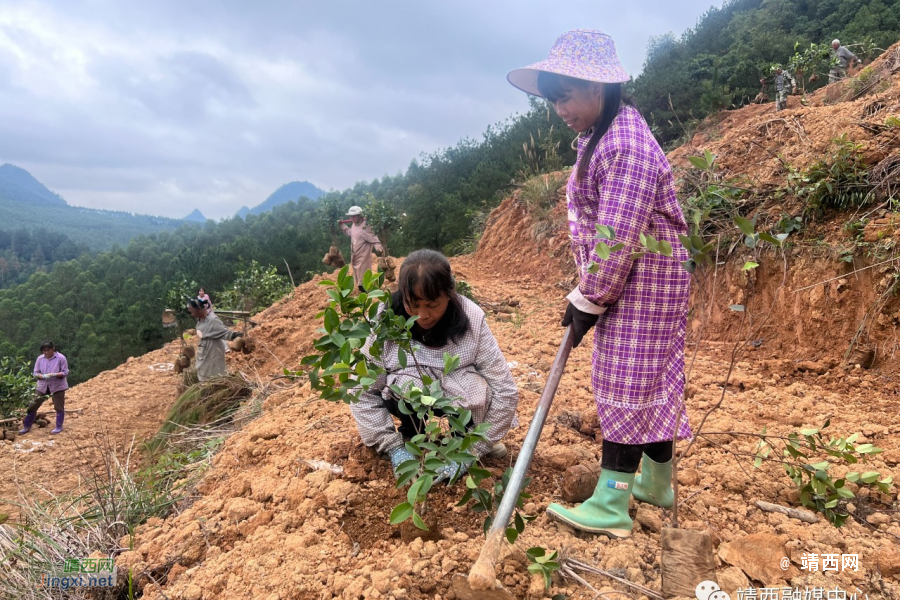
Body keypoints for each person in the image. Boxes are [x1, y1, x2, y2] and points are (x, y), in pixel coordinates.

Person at [507, 29, 692, 538]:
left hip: (642, 281)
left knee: (625, 381)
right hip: (632, 278)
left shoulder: (626, 145)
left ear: (598, 87)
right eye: (552, 99)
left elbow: (617, 237)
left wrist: (591, 297)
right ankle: (657, 482)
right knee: (647, 378)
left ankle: (611, 504)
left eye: (564, 95)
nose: (558, 108)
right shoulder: (604, 136)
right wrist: (587, 292)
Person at [349, 249, 518, 483]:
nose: (422, 315)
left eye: (432, 305)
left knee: (476, 387)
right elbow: (361, 389)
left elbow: (505, 390)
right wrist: (391, 446)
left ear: (449, 294)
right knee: (406, 385)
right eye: (413, 304)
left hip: (460, 394)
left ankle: (465, 438)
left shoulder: (471, 319)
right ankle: (410, 437)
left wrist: (476, 448)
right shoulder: (385, 320)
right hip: (410, 397)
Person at [19, 341, 69, 435]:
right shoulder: (40, 359)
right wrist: (42, 376)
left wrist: (55, 374)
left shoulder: (61, 358)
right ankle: (27, 426)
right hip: (42, 385)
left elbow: (65, 372)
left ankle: (58, 426)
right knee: (33, 405)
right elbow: (35, 373)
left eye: (48, 350)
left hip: (57, 385)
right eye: (44, 351)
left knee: (59, 406)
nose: (46, 352)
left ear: (53, 348)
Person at [187, 298, 242, 382]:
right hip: (203, 352)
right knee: (203, 373)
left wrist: (240, 336)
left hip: (212, 351)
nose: (191, 314)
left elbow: (226, 333)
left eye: (192, 311)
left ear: (198, 308)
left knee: (214, 375)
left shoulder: (213, 320)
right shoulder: (199, 320)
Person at [340, 206, 383, 290]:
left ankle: (368, 296)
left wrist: (379, 248)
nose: (352, 218)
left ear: (359, 216)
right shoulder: (354, 224)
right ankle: (365, 295)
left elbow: (374, 239)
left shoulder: (365, 227)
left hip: (363, 257)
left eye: (354, 216)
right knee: (358, 278)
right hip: (355, 256)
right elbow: (350, 233)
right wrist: (342, 226)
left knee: (364, 281)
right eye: (350, 216)